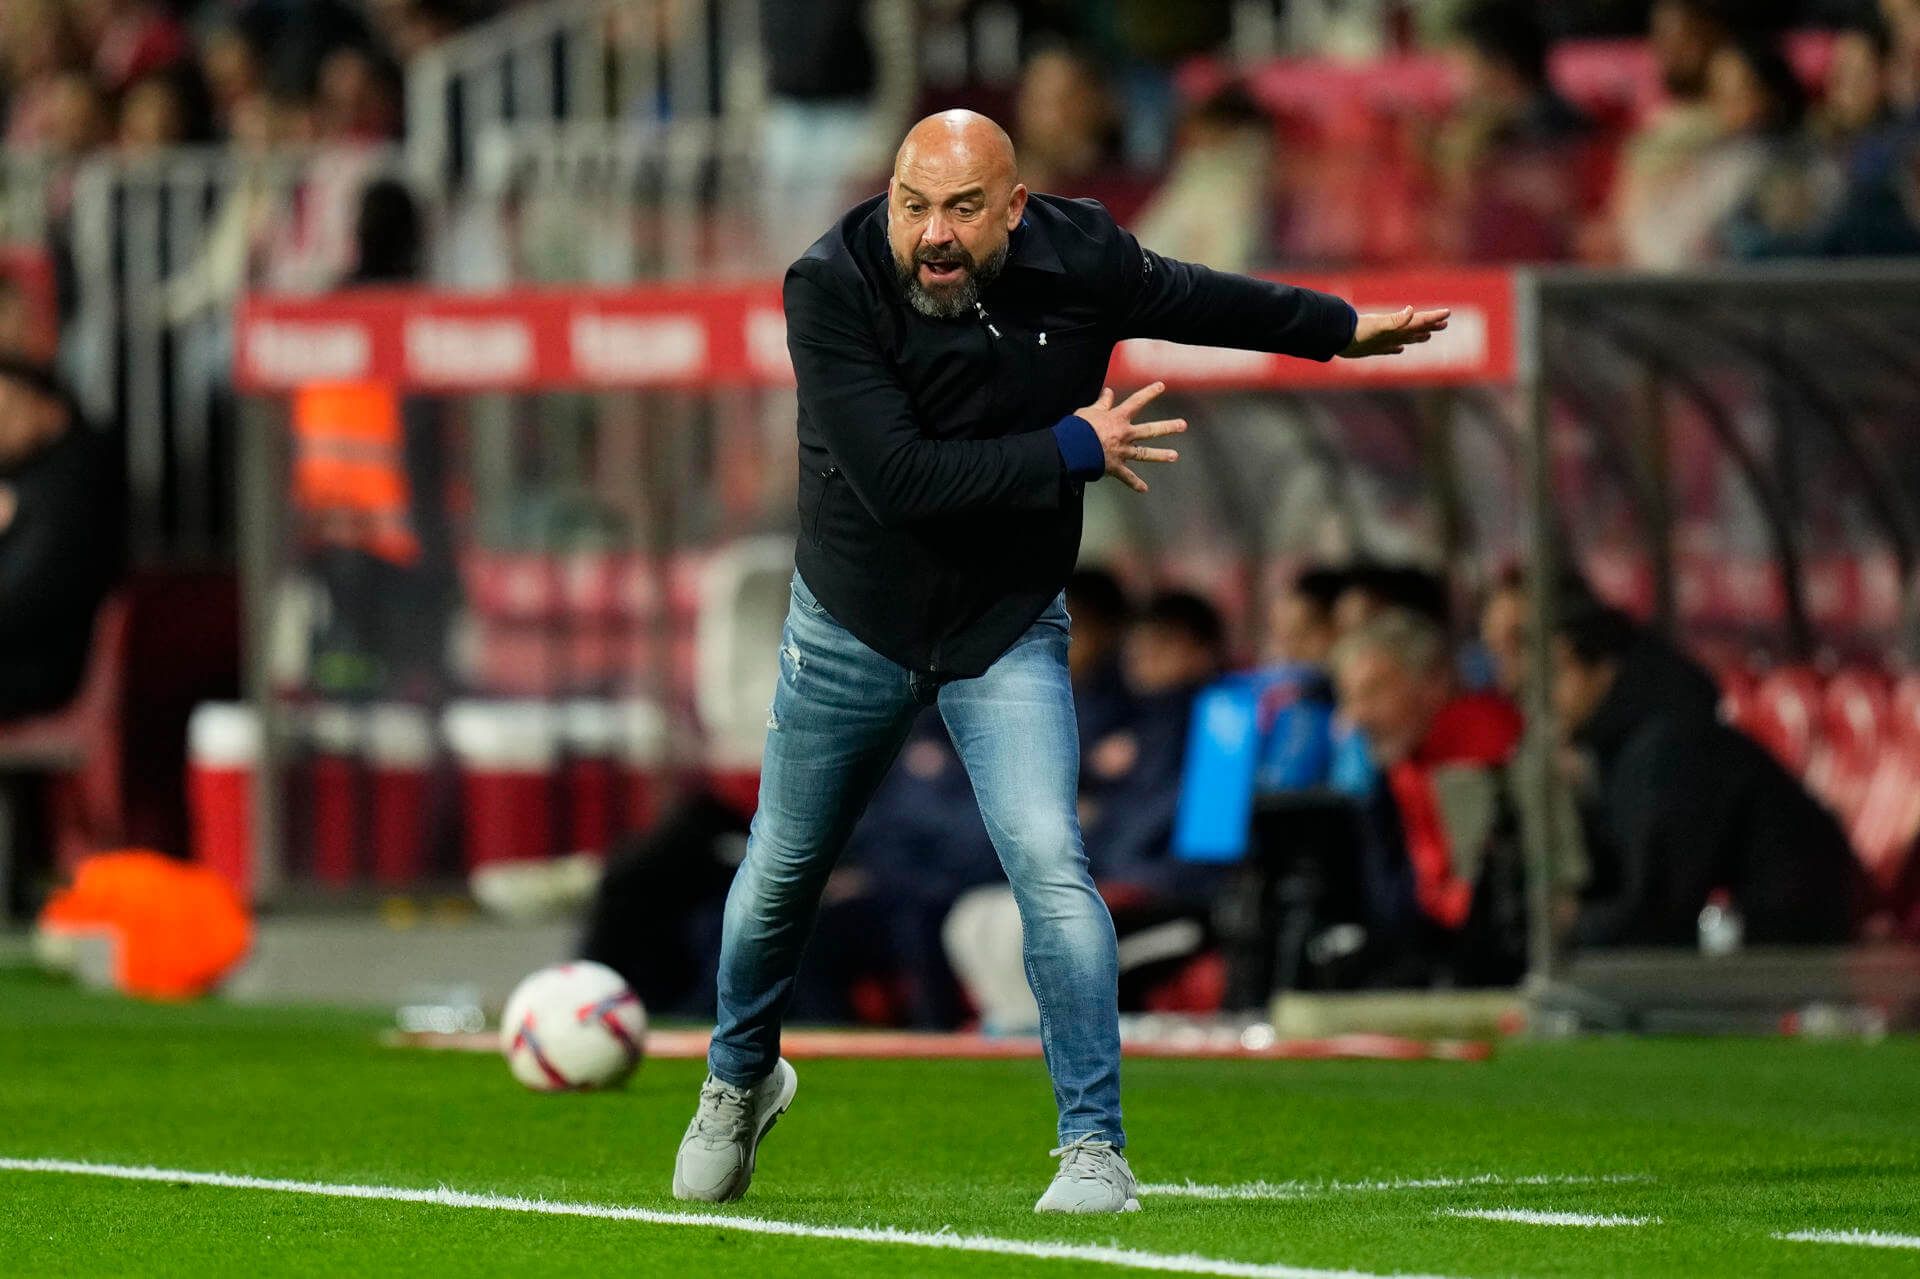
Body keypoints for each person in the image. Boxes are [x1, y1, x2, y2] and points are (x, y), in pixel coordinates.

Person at [669, 108, 1448, 1213]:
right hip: (853, 622)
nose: (931, 232)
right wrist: (1073, 448)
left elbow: (1201, 296)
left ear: (1016, 209)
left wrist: (1337, 328)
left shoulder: (1081, 255)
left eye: (961, 208)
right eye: (912, 204)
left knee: (1050, 863)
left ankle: (1095, 1149)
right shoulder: (830, 284)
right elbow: (900, 480)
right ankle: (739, 1078)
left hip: (1004, 625)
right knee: (779, 875)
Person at [1553, 606, 1861, 948]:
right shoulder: (1633, 742)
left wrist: (1570, 926)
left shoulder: (1668, 746)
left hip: (1791, 959)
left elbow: (1657, 917)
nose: (1518, 684)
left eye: (1552, 670)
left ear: (1600, 666)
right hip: (1757, 947)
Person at [1331, 608, 1527, 985]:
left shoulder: (1487, 750)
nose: (1356, 717)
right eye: (1350, 697)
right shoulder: (1404, 766)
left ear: (1434, 683)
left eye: (1374, 691)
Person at [0, 356, 119, 721]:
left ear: (36, 400)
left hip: (48, 661)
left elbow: (35, 587)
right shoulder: (30, 475)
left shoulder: (75, 474)